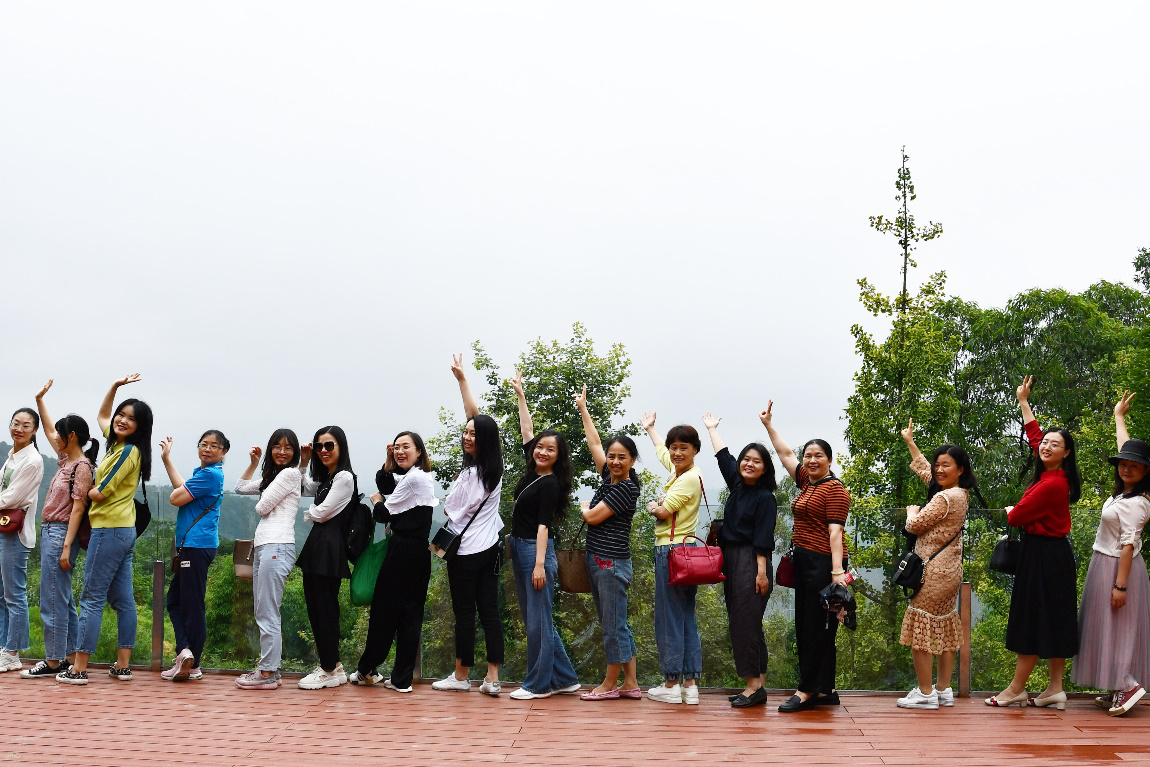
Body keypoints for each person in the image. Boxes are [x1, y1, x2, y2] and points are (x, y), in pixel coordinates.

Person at [986, 376, 1081, 708]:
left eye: (1055, 444)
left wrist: (1011, 510)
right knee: (1056, 616)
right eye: (1046, 443)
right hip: (1054, 554)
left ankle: (1016, 689)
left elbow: (1016, 517)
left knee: (1030, 619)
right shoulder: (1056, 474)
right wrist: (1023, 401)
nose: (1046, 446)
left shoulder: (1052, 484)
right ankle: (1055, 689)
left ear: (1066, 453)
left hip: (1042, 555)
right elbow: (1035, 437)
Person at [58, 374, 152, 685]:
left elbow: (100, 493)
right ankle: (122, 666)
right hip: (122, 531)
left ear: (141, 426)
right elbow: (102, 416)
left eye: (131, 418)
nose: (122, 420)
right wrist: (114, 387)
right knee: (123, 600)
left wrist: (83, 487)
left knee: (92, 598)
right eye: (121, 415)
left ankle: (79, 668)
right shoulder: (117, 443)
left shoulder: (127, 452)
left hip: (109, 530)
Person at [761, 400, 851, 712]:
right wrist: (769, 425)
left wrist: (836, 572)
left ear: (829, 460)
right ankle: (825, 690)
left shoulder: (834, 490)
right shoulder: (807, 482)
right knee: (814, 625)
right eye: (808, 456)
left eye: (818, 456)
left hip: (824, 564)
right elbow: (785, 454)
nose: (811, 460)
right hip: (806, 563)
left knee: (815, 627)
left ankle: (807, 690)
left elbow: (836, 532)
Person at [1071, 391, 1150, 716]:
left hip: (1119, 568)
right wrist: (1119, 416)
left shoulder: (1138, 502)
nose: (1126, 469)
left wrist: (1120, 585)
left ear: (1146, 472)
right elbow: (1126, 449)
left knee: (1118, 628)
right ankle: (1117, 684)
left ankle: (1127, 684)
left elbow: (1128, 545)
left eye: (1134, 466)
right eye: (1123, 464)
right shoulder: (1125, 494)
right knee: (1107, 627)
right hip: (1104, 563)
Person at [895, 418, 982, 710]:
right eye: (938, 465)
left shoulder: (944, 498)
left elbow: (915, 525)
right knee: (944, 627)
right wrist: (910, 442)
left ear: (961, 469)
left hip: (932, 573)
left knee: (920, 628)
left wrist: (911, 511)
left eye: (947, 465)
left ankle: (925, 693)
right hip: (951, 571)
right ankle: (943, 690)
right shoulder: (960, 494)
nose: (939, 470)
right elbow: (926, 473)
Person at [431, 355, 505, 695]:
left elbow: (452, 509)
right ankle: (493, 677)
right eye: (466, 432)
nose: (467, 436)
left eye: (473, 434)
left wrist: (462, 381)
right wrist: (462, 381)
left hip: (465, 553)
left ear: (484, 439)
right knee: (489, 611)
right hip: (489, 548)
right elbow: (475, 417)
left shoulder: (474, 473)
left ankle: (461, 676)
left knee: (464, 613)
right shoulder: (495, 468)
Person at [506, 370, 581, 700]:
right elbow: (527, 430)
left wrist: (538, 565)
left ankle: (538, 684)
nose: (542, 452)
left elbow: (543, 527)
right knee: (537, 619)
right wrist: (521, 394)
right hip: (520, 547)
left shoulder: (550, 484)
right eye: (540, 447)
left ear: (558, 456)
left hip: (534, 551)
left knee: (537, 622)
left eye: (551, 450)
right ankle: (565, 678)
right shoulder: (533, 470)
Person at [20, 381, 97, 679]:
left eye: (61, 435)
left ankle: (53, 661)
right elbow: (51, 430)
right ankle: (68, 656)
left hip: (60, 533)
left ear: (72, 437)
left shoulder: (82, 467)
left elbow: (78, 508)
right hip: (53, 532)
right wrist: (40, 400)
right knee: (61, 599)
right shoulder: (67, 460)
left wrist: (66, 546)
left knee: (51, 599)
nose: (55, 438)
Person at [702, 412, 778, 708]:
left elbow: (763, 538)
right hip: (732, 560)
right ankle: (758, 684)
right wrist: (711, 429)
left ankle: (753, 686)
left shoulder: (765, 497)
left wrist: (761, 573)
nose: (749, 464)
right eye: (746, 459)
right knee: (748, 623)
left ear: (764, 469)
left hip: (752, 561)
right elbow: (723, 456)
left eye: (756, 461)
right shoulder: (737, 485)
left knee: (744, 624)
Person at [350, 432, 435, 693]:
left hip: (401, 551)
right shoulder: (417, 476)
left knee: (384, 611)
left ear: (419, 451)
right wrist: (389, 460)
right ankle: (401, 679)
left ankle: (366, 669)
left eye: (405, 447)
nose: (400, 451)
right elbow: (387, 483)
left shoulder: (414, 479)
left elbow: (383, 512)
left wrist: (376, 501)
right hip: (420, 552)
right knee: (410, 615)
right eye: (396, 447)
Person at [575, 386, 642, 702]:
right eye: (612, 456)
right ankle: (631, 683)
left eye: (621, 457)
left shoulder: (625, 489)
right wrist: (583, 409)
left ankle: (609, 684)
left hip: (610, 563)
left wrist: (584, 507)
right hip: (603, 561)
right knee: (617, 624)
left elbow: (592, 518)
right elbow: (594, 443)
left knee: (612, 626)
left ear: (632, 460)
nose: (614, 461)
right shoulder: (609, 478)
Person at [641, 410, 704, 705]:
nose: (677, 453)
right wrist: (651, 429)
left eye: (684, 448)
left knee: (669, 617)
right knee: (685, 615)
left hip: (671, 551)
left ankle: (670, 683)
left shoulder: (687, 479)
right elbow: (662, 453)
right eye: (674, 447)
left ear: (695, 450)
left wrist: (653, 506)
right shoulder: (682, 471)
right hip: (686, 552)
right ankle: (690, 685)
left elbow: (664, 512)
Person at [234, 429, 302, 690]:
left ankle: (267, 673)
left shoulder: (289, 474)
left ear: (295, 452)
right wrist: (253, 463)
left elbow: (261, 507)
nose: (281, 452)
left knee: (267, 610)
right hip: (267, 546)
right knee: (263, 609)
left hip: (277, 545)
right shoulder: (274, 477)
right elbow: (240, 488)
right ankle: (269, 669)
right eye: (277, 446)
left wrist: (266, 488)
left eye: (288, 447)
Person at [158, 430, 229, 682]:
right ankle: (185, 654)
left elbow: (175, 498)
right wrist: (167, 459)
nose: (207, 449)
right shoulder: (205, 474)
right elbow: (182, 489)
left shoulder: (210, 475)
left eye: (214, 446)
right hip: (193, 546)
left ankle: (192, 662)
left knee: (191, 604)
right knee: (176, 601)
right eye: (203, 444)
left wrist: (178, 494)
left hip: (196, 547)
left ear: (223, 452)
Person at [295, 425, 356, 690]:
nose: (323, 450)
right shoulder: (327, 478)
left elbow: (321, 513)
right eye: (319, 446)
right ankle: (334, 665)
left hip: (328, 548)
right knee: (318, 607)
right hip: (320, 546)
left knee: (324, 609)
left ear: (341, 447)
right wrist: (303, 463)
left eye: (329, 445)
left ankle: (328, 669)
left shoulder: (344, 477)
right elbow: (302, 487)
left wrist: (310, 513)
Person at [0, 406, 45, 675]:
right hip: (3, 528)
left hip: (16, 533)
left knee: (14, 595)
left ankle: (13, 653)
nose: (19, 429)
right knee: (2, 595)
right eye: (16, 423)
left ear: (34, 430)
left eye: (26, 425)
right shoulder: (12, 456)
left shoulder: (33, 460)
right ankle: (4, 647)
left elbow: (12, 497)